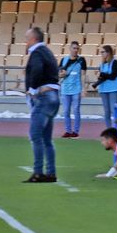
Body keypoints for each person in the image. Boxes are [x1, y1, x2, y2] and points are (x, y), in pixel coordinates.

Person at [24, 26, 60, 182]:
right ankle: (51, 172)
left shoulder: (37, 53)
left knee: (35, 135)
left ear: (34, 39)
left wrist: (33, 89)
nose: (25, 42)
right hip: (53, 98)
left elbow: (37, 70)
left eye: (27, 39)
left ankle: (38, 172)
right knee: (47, 139)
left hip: (44, 98)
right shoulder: (48, 52)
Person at [59, 41, 86, 138]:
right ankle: (68, 131)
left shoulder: (81, 60)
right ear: (70, 48)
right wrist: (63, 74)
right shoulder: (64, 60)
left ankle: (76, 131)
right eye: (74, 48)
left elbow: (83, 75)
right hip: (65, 89)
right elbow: (59, 74)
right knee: (66, 111)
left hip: (76, 89)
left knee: (76, 110)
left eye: (77, 48)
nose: (75, 50)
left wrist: (83, 89)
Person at [95, 45, 117, 130]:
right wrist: (99, 76)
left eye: (103, 52)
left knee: (113, 110)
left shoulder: (115, 62)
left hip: (113, 89)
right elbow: (101, 77)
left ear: (108, 52)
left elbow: (113, 76)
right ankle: (109, 130)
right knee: (106, 112)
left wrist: (102, 75)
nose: (101, 54)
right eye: (101, 52)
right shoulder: (102, 65)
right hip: (104, 90)